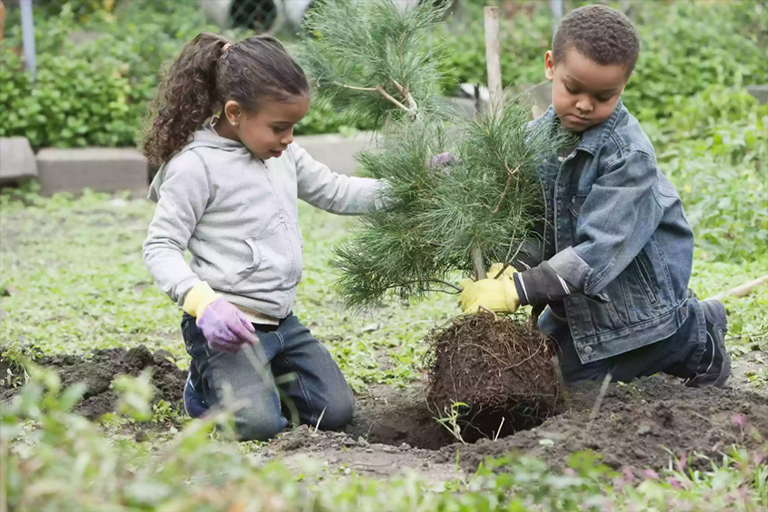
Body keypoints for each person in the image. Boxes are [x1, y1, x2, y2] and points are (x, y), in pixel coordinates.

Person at [460, 5, 730, 388]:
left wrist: (518, 290)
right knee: (539, 370)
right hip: (580, 298)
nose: (585, 105)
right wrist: (513, 266)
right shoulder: (533, 141)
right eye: (573, 89)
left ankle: (693, 337)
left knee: (565, 382)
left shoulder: (628, 156)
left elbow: (600, 251)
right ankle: (606, 338)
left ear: (624, 86)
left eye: (604, 96)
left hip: (632, 299)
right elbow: (537, 223)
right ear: (550, 66)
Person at [142, 33, 389, 441]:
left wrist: (408, 187)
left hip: (281, 322)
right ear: (235, 112)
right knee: (256, 425)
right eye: (279, 127)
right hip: (229, 328)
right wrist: (204, 304)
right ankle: (203, 389)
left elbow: (337, 190)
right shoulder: (195, 167)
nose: (288, 138)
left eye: (293, 127)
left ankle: (258, 378)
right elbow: (160, 246)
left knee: (335, 411)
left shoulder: (283, 153)